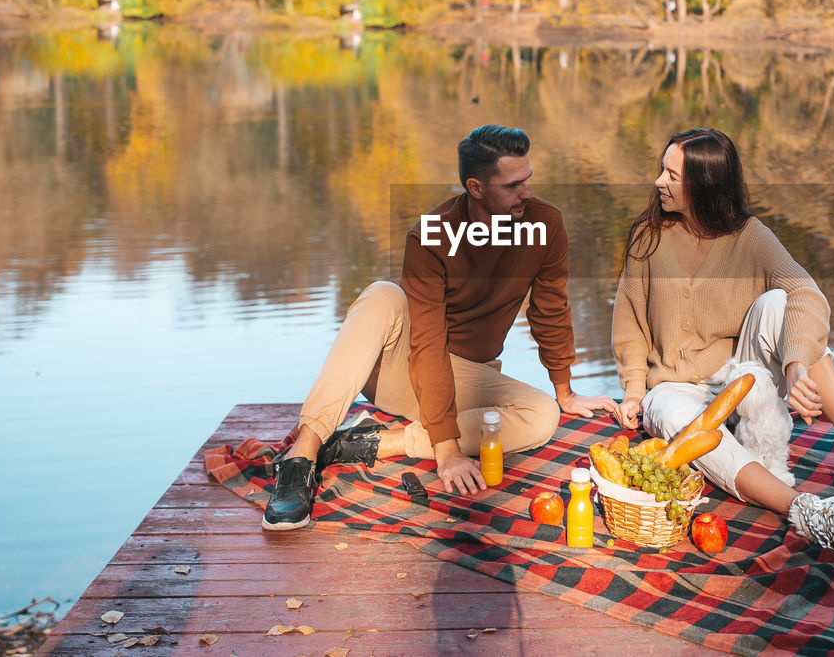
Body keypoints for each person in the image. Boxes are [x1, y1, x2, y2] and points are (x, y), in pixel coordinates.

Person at [264, 125, 620, 529]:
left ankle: (374, 443)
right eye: (513, 184)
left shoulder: (546, 224)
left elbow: (551, 309)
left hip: (471, 376)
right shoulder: (431, 235)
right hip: (405, 369)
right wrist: (447, 451)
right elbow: (428, 343)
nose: (527, 193)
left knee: (541, 414)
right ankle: (301, 458)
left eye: (529, 180)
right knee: (382, 294)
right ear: (476, 187)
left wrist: (564, 390)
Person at [611, 128, 834, 554]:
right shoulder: (648, 235)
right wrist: (633, 391)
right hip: (674, 386)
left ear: (706, 185)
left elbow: (807, 294)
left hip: (742, 373)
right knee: (674, 419)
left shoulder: (750, 236)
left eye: (673, 175)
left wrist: (794, 363)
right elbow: (628, 320)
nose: (660, 181)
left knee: (780, 303)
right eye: (662, 170)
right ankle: (807, 510)